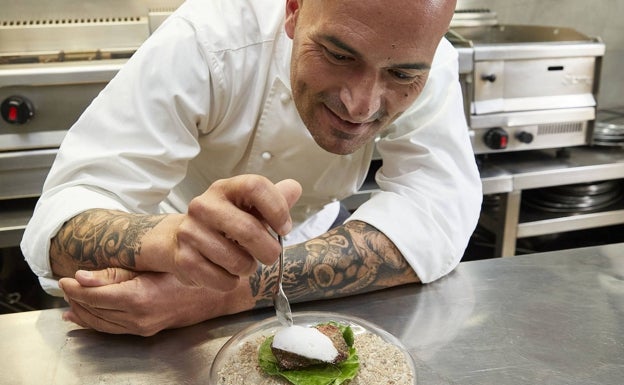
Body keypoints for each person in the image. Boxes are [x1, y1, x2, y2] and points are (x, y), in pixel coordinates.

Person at [21, 0, 482, 336]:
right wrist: (170, 243)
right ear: (295, 10)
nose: (361, 106)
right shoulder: (208, 37)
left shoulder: (430, 61)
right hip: (161, 253)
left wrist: (227, 292)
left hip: (305, 246)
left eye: (401, 76)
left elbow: (437, 207)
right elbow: (66, 213)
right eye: (339, 55)